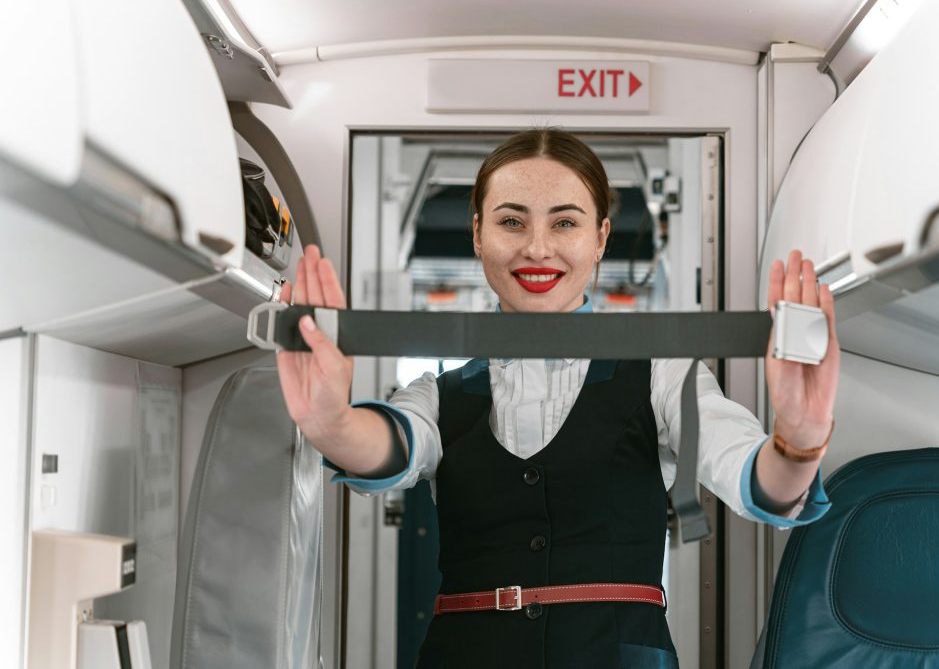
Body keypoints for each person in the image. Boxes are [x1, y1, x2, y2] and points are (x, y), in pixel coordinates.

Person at [276, 129, 840, 669]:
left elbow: (759, 481)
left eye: (564, 222)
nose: (537, 248)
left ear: (599, 237)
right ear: (478, 234)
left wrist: (799, 438)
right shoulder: (438, 395)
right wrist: (328, 422)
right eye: (511, 222)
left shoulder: (664, 375)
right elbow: (387, 444)